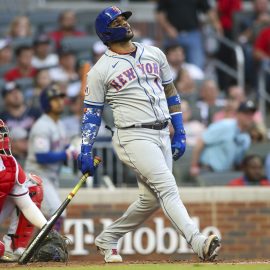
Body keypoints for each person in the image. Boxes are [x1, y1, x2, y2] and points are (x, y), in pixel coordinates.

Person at [77, 6, 221, 263]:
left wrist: (181, 131)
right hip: (132, 136)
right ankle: (197, 241)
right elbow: (92, 113)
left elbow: (171, 93)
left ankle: (108, 237)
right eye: (117, 21)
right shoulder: (100, 70)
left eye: (124, 18)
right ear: (105, 33)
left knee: (150, 200)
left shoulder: (154, 53)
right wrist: (85, 148)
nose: (124, 23)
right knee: (167, 187)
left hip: (162, 132)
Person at [24, 84, 77, 231]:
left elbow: (64, 146)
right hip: (37, 177)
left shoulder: (59, 124)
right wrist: (66, 153)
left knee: (47, 218)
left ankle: (42, 249)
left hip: (51, 177)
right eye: (54, 99)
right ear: (46, 103)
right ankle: (49, 250)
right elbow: (41, 156)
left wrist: (72, 150)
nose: (60, 102)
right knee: (56, 213)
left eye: (60, 98)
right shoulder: (41, 126)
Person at [0, 119, 46, 262]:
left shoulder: (9, 163)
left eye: (1, 134)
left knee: (32, 188)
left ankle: (14, 247)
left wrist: (47, 230)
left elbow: (26, 205)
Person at [190, 100, 257, 176]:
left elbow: (237, 162)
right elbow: (201, 141)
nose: (249, 117)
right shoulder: (225, 125)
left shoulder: (246, 138)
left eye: (251, 114)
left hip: (225, 173)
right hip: (207, 170)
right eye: (246, 113)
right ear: (238, 114)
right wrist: (194, 166)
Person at [155, 0, 222, 69]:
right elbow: (159, 13)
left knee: (197, 66)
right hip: (173, 36)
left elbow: (208, 10)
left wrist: (217, 25)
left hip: (193, 35)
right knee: (170, 66)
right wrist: (168, 28)